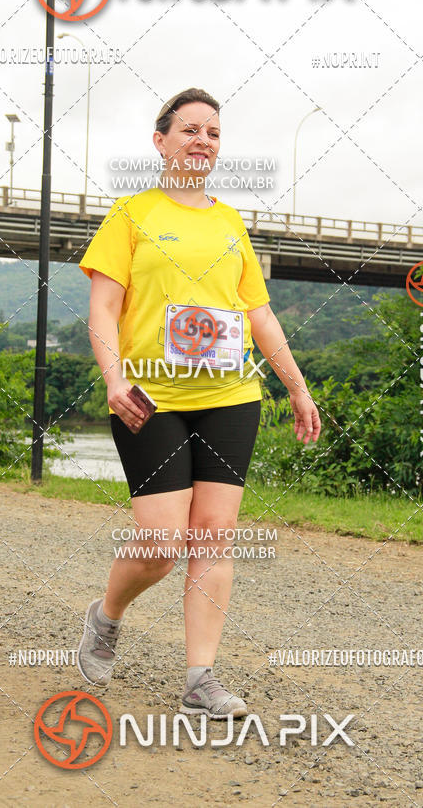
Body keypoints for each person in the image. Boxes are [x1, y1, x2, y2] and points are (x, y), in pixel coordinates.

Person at [78, 87, 320, 718]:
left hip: (230, 395)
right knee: (159, 540)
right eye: (190, 130)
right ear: (160, 141)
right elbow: (102, 308)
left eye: (213, 132)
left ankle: (199, 678)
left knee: (213, 536)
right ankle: (107, 616)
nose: (203, 140)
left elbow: (258, 314)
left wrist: (295, 386)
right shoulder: (129, 215)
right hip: (148, 395)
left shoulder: (230, 223)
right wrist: (112, 377)